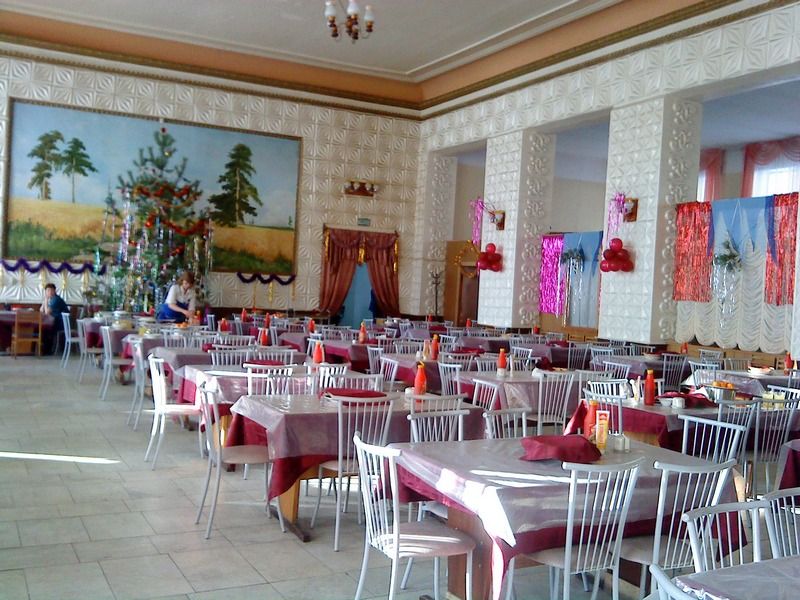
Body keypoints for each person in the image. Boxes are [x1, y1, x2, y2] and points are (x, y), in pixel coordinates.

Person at [40, 283, 69, 354]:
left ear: (55, 291)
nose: (49, 292)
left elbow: (47, 313)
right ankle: (43, 349)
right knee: (42, 329)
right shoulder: (51, 299)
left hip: (61, 324)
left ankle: (47, 350)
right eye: (48, 291)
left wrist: (46, 301)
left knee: (45, 329)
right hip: (55, 322)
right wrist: (45, 301)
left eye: (51, 290)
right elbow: (41, 310)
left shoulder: (56, 299)